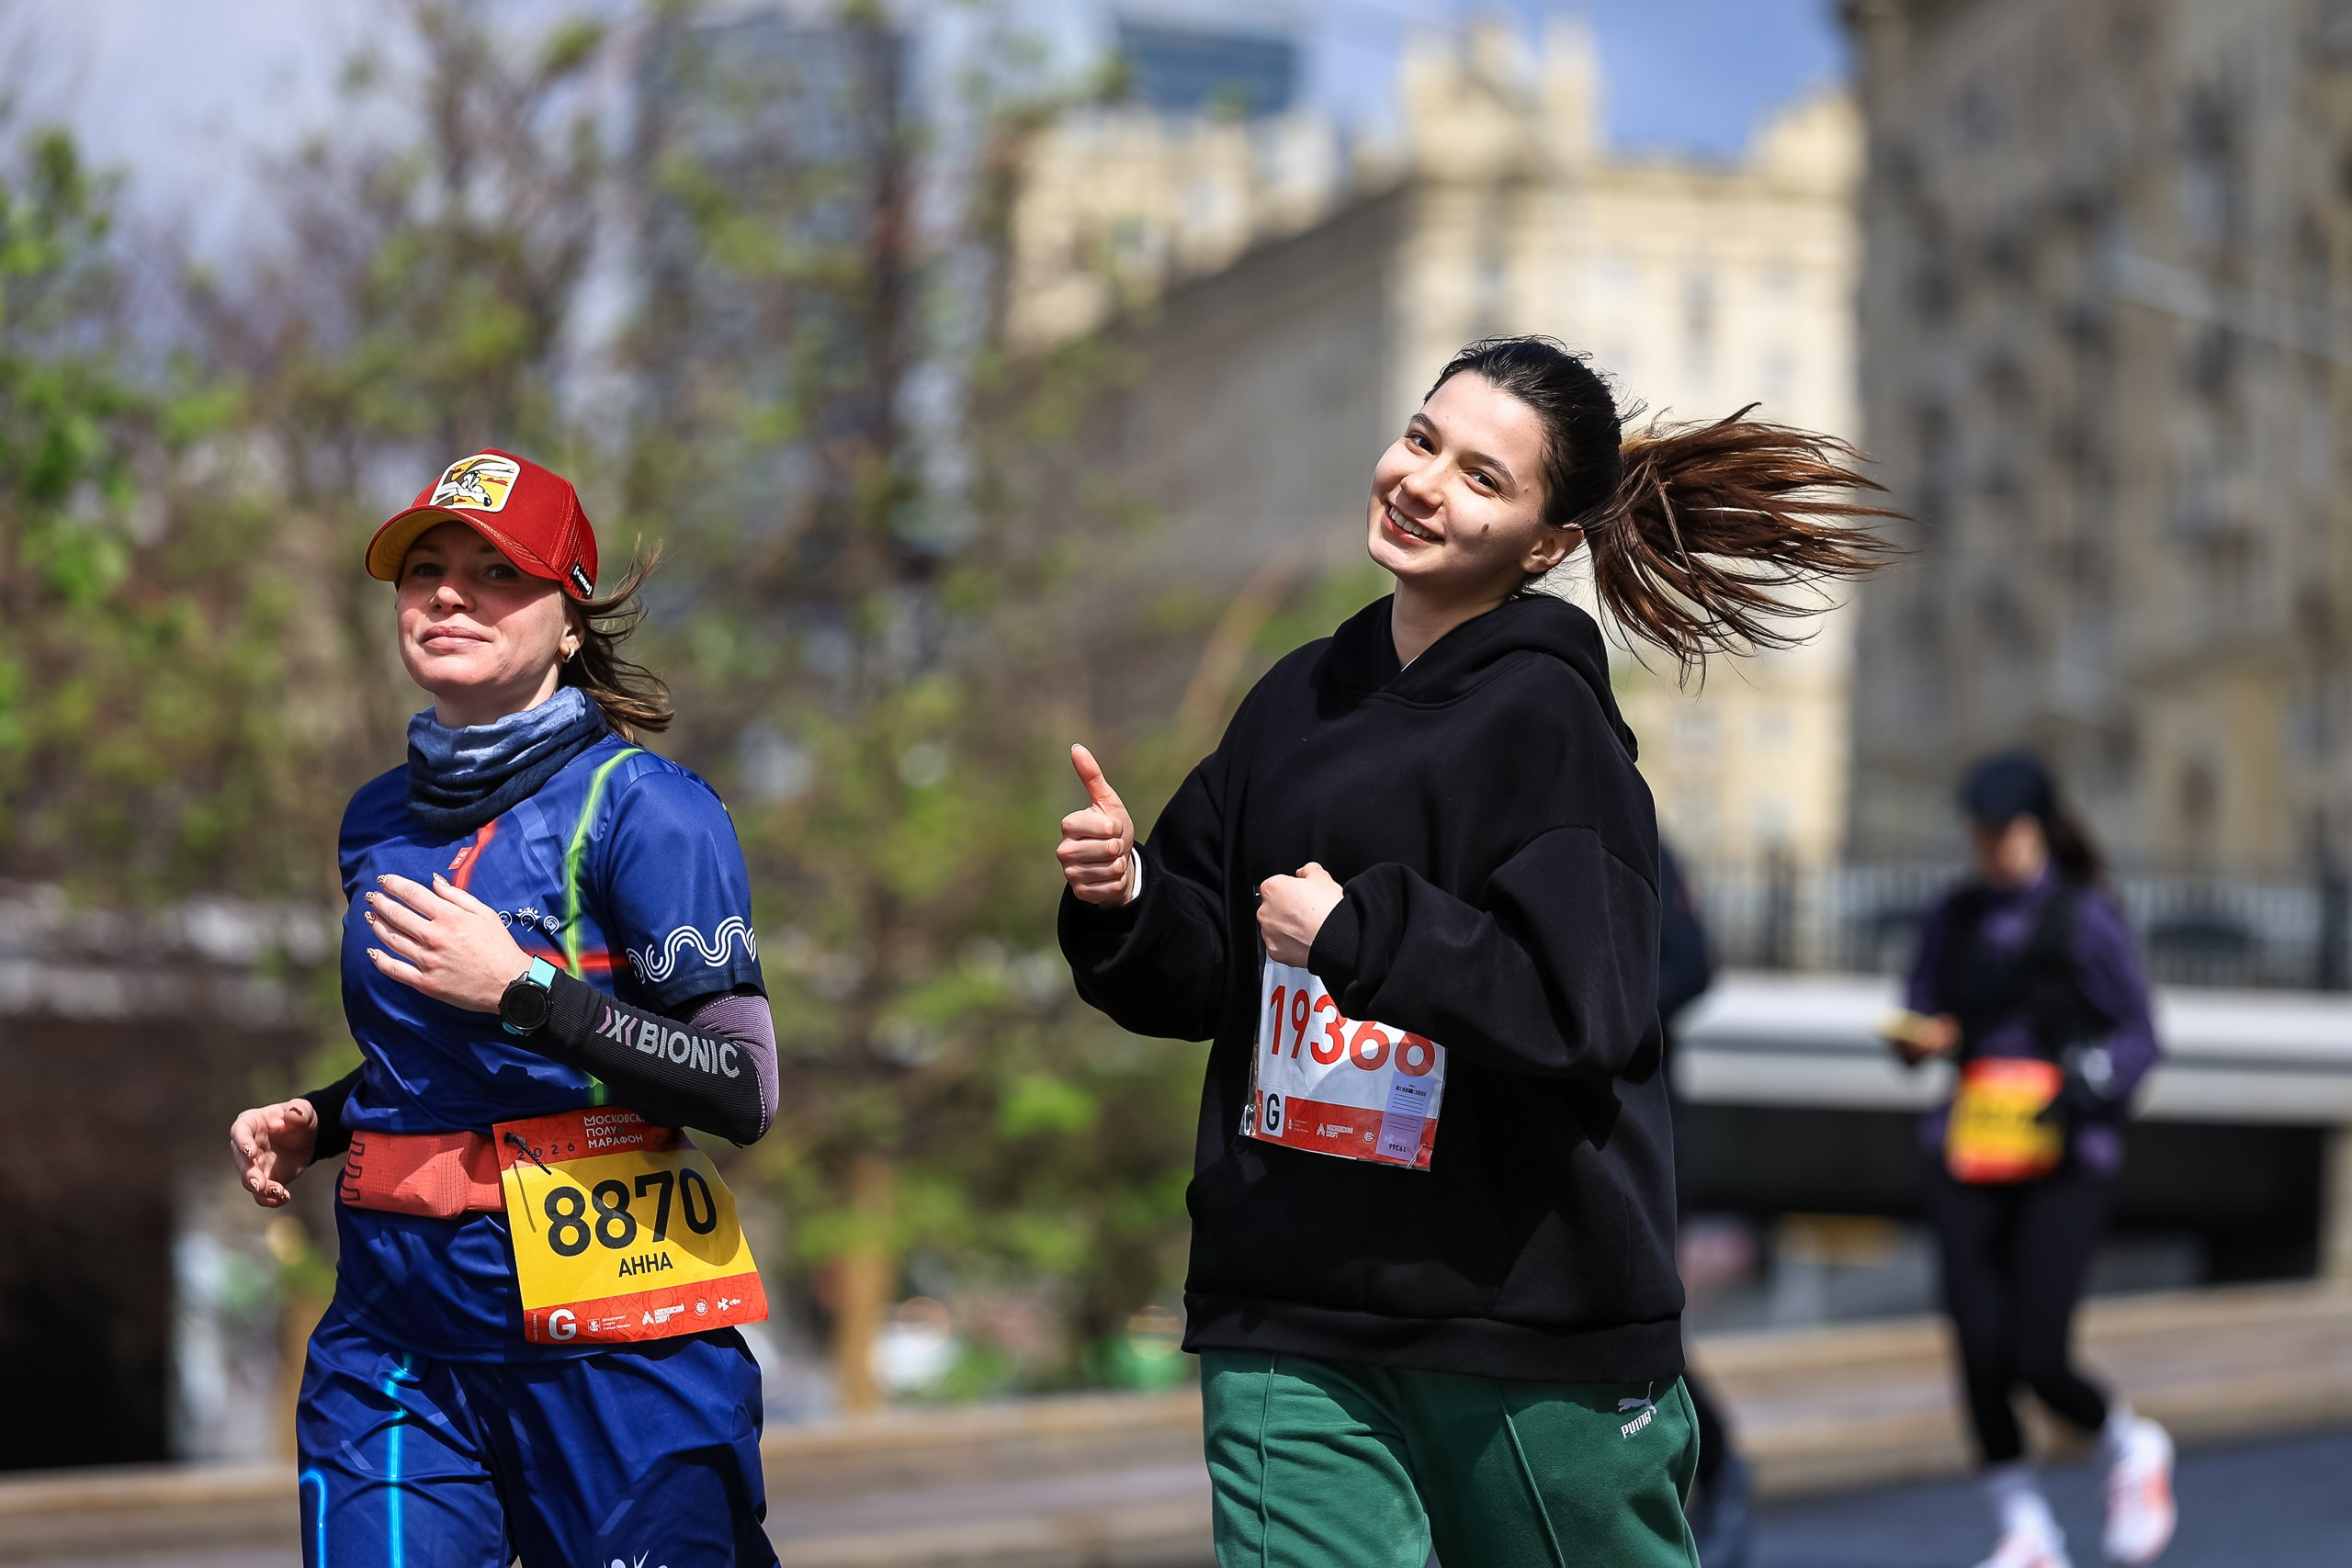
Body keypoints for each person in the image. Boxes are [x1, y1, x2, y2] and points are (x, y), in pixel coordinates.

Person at [1056, 336, 1888, 1567]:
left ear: (1546, 543)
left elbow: (1587, 1004)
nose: (1424, 481)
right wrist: (1126, 892)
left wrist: (1361, 933)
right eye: (1422, 439)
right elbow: (1201, 971)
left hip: (1521, 1322)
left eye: (1483, 478)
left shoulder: (1550, 722)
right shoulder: (1294, 699)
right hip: (1289, 1305)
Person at [227, 450, 781, 1568]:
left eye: (497, 572)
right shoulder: (375, 819)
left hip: (615, 1342)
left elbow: (744, 1089)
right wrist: (325, 1120)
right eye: (424, 569)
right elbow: (433, 1059)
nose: (448, 594)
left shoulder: (650, 811)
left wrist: (525, 991)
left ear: (569, 620)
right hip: (395, 1333)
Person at [1886, 752, 2174, 1568]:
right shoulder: (1956, 914)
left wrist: (2088, 1083)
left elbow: (2141, 1038)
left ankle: (2131, 1445)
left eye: (2001, 831)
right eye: (1976, 832)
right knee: (1977, 1349)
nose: (1988, 847)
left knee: (2036, 1354)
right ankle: (2026, 1530)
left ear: (2038, 826)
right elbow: (1921, 1006)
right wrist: (1919, 1037)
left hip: (2064, 1156)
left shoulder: (2086, 917)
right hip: (1970, 1150)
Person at [1655, 842, 1751, 1568]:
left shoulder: (1637, 835)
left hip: (1635, 1126)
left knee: (1635, 1327)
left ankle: (1717, 1467)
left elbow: (1692, 965)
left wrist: (1576, 1003)